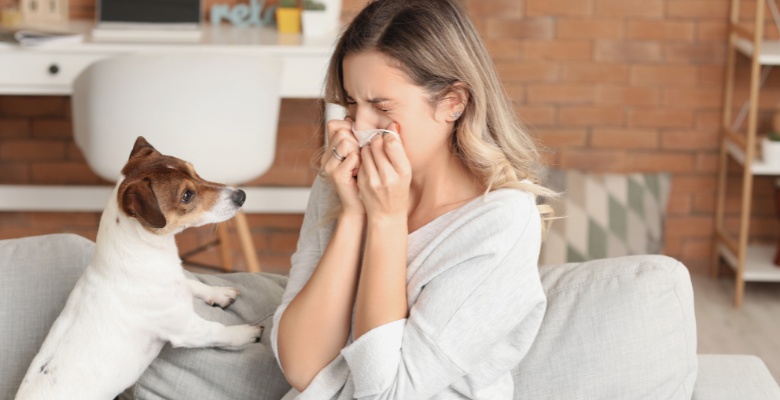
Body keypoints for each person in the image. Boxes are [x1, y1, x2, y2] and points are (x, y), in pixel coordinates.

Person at [271, 0, 555, 398]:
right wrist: (355, 214)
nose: (359, 126)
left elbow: (387, 393)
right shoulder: (341, 180)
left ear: (453, 103)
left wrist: (386, 222)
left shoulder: (500, 222)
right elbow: (300, 367)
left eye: (381, 106)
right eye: (351, 103)